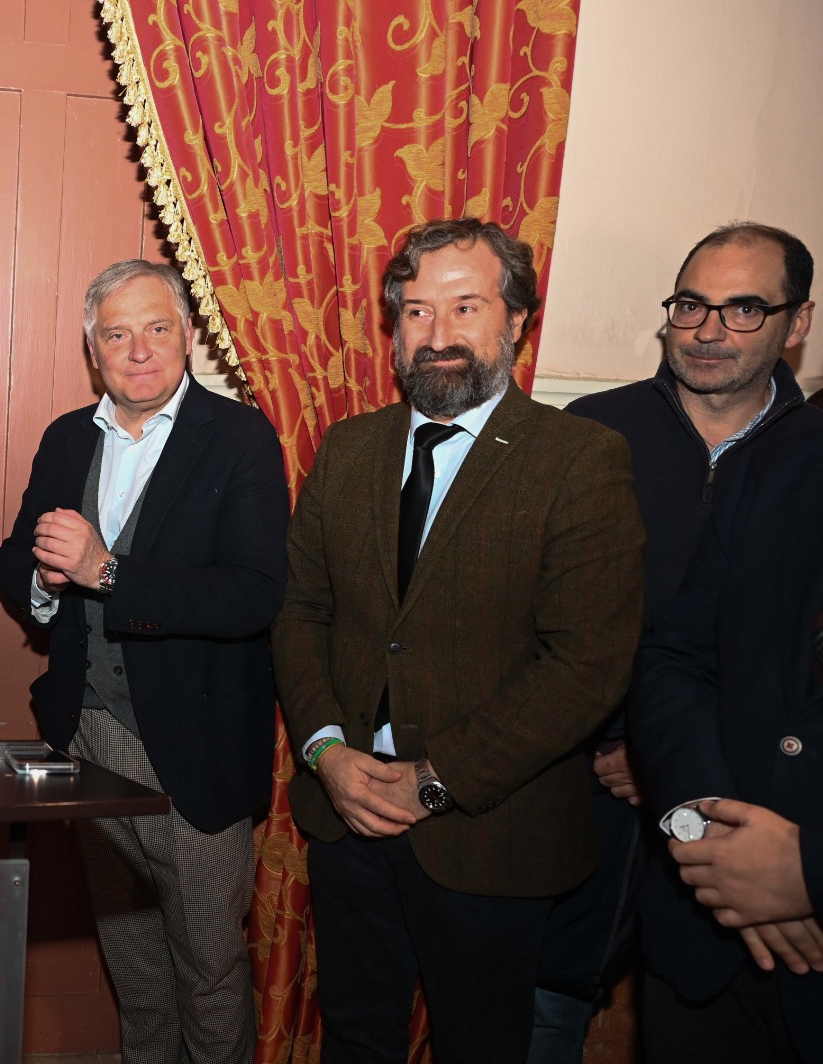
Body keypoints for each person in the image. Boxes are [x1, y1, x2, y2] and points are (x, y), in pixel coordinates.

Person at [273, 218, 646, 1063]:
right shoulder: (349, 448)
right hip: (347, 817)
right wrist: (327, 754)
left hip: (493, 835)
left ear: (518, 321)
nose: (437, 335)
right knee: (355, 1038)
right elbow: (301, 613)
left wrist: (435, 783)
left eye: (465, 307)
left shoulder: (580, 460)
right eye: (416, 312)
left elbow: (587, 666)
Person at [534, 222, 822, 1060]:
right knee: (552, 996)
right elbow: (533, 616)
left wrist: (681, 778)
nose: (707, 330)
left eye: (743, 309)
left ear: (797, 323)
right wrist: (620, 743)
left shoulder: (798, 457)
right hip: (583, 785)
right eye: (691, 305)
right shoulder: (591, 431)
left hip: (748, 808)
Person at [0, 259, 289, 1063]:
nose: (139, 350)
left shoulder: (240, 438)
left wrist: (108, 572)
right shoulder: (66, 437)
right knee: (132, 961)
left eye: (158, 328)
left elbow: (254, 595)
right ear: (93, 350)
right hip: (85, 738)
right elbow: (15, 561)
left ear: (187, 335)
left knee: (209, 969)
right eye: (117, 334)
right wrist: (45, 581)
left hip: (194, 750)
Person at [632, 425, 823, 1063]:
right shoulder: (773, 462)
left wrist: (808, 871)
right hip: (702, 950)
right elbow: (675, 660)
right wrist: (705, 825)